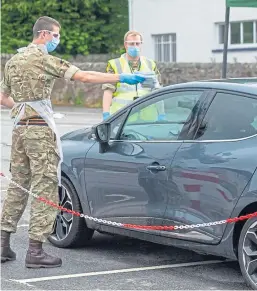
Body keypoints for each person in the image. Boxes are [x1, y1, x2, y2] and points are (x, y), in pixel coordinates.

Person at [0, 16, 145, 268]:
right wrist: (120, 78)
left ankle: (3, 245)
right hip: (39, 131)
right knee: (46, 186)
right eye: (56, 36)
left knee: (18, 186)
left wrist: (24, 109)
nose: (58, 40)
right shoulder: (44, 59)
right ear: (44, 34)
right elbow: (85, 77)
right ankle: (35, 250)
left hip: (19, 130)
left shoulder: (13, 61)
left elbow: (3, 97)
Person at [102, 30, 165, 121]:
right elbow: (108, 91)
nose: (135, 47)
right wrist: (106, 114)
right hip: (123, 117)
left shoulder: (150, 64)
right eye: (131, 44)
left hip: (148, 118)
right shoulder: (115, 64)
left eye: (137, 43)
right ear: (125, 45)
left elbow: (158, 90)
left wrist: (161, 113)